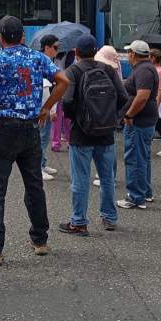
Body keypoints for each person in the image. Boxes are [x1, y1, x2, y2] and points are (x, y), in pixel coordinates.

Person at [0, 15, 69, 267]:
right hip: (30, 128)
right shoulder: (38, 58)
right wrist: (46, 106)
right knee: (34, 185)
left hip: (4, 129)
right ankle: (40, 240)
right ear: (23, 36)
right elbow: (63, 81)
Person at [58, 35, 128, 235]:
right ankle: (109, 218)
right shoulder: (108, 70)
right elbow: (123, 97)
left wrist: (79, 119)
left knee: (80, 180)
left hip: (81, 135)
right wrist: (113, 118)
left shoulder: (72, 71)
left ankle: (79, 221)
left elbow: (68, 103)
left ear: (76, 53)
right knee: (107, 178)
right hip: (106, 134)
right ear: (95, 50)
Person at [117, 40, 158, 210]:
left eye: (129, 52)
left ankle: (135, 197)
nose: (128, 55)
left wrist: (129, 114)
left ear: (133, 53)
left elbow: (142, 96)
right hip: (145, 119)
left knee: (134, 158)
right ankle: (145, 192)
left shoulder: (144, 70)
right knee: (143, 158)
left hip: (139, 120)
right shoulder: (146, 68)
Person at [92, 45, 122, 187]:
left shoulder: (110, 72)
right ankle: (108, 175)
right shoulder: (115, 70)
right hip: (112, 114)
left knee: (108, 147)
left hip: (106, 114)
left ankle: (108, 175)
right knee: (109, 146)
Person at [39, 34, 60, 181]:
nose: (57, 51)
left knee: (45, 137)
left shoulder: (48, 61)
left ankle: (43, 164)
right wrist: (51, 110)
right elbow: (45, 89)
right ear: (47, 47)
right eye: (55, 47)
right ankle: (38, 168)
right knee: (41, 138)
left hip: (46, 107)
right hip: (44, 108)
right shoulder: (43, 62)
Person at [51, 51, 74, 152]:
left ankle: (56, 142)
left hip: (57, 85)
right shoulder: (71, 54)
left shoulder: (54, 55)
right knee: (67, 116)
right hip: (66, 86)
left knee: (58, 116)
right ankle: (69, 141)